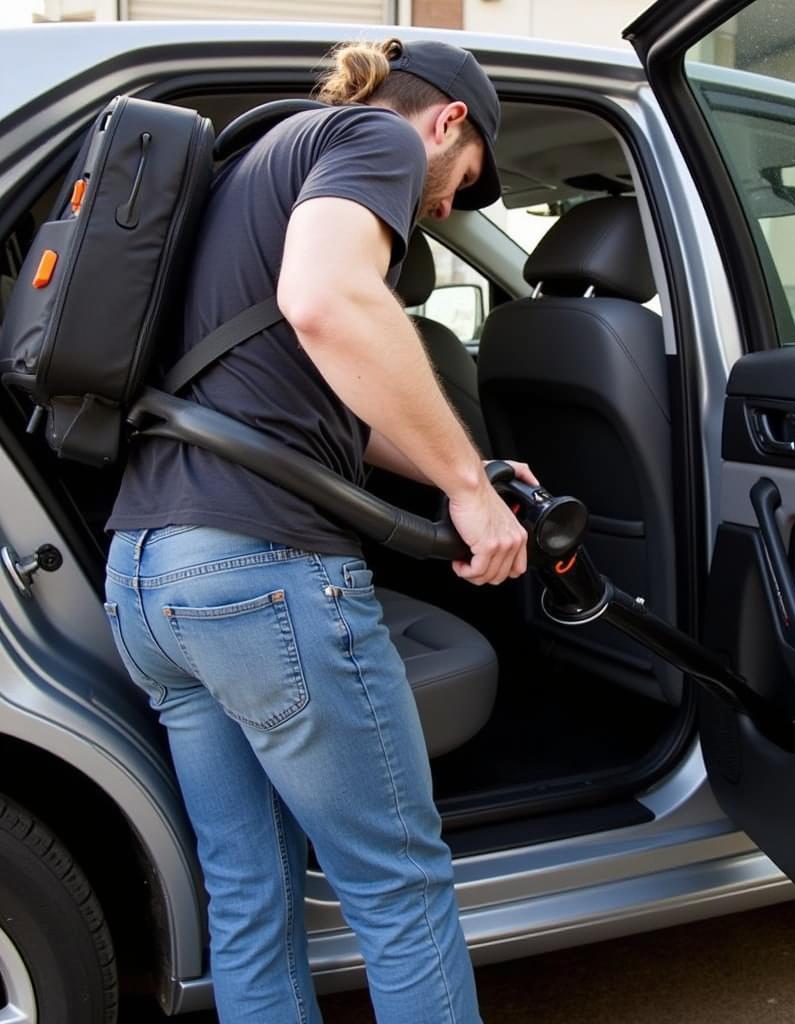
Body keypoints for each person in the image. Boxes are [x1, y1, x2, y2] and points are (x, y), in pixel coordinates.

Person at [102, 37, 531, 1024]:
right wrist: (466, 491)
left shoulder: (248, 169)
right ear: (448, 122)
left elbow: (315, 396)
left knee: (250, 894)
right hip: (259, 573)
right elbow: (328, 301)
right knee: (398, 885)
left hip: (151, 581)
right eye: (461, 185)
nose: (445, 208)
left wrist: (469, 469)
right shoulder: (375, 135)